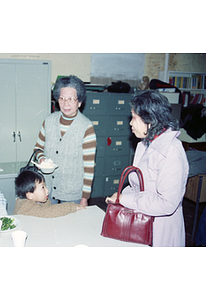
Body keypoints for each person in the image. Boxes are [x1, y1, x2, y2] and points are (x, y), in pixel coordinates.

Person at [105, 90, 189, 247]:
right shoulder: (145, 143)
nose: (130, 123)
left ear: (150, 120)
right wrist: (121, 197)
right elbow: (140, 185)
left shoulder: (170, 151)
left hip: (161, 227)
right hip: (142, 221)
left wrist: (125, 199)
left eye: (134, 118)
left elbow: (167, 203)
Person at [33, 75, 97, 206]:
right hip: (46, 191)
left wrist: (85, 198)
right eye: (61, 98)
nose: (65, 103)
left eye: (71, 99)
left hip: (72, 195)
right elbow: (38, 148)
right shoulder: (49, 121)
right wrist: (41, 158)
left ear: (79, 102)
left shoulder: (86, 127)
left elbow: (89, 167)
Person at [13, 170, 85, 217]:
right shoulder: (26, 207)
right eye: (42, 187)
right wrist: (71, 207)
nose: (47, 190)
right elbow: (49, 211)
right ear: (30, 195)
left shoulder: (34, 200)